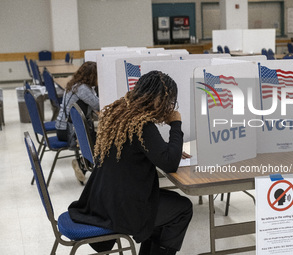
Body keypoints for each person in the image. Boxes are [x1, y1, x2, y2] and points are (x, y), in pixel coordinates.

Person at [68, 71, 193, 255]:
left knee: (163, 210)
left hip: (102, 200)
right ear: (156, 98)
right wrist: (175, 124)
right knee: (182, 209)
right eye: (167, 100)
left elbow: (141, 150)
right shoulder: (142, 125)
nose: (169, 106)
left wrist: (165, 150)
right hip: (121, 208)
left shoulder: (122, 114)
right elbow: (169, 164)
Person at [55, 61, 99, 183]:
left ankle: (82, 165)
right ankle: (82, 164)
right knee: (102, 141)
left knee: (97, 138)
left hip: (63, 127)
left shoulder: (75, 84)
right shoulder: (82, 88)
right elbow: (97, 105)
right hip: (68, 131)